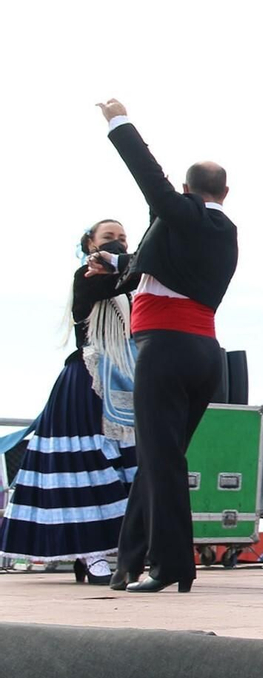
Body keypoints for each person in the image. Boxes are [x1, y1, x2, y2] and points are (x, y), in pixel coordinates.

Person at [96, 99, 238, 594]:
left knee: (162, 460)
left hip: (165, 349)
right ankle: (129, 560)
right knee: (162, 458)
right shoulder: (221, 231)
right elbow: (166, 263)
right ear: (227, 191)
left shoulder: (187, 216)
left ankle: (172, 566)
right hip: (203, 352)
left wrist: (120, 121)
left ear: (185, 191)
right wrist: (120, 269)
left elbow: (149, 178)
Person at [0, 221, 140, 585]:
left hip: (123, 382)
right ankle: (91, 553)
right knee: (88, 463)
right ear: (90, 244)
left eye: (123, 237)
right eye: (108, 238)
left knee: (127, 467)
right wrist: (128, 260)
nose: (117, 242)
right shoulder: (89, 277)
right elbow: (127, 277)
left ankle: (118, 550)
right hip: (89, 383)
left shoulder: (130, 286)